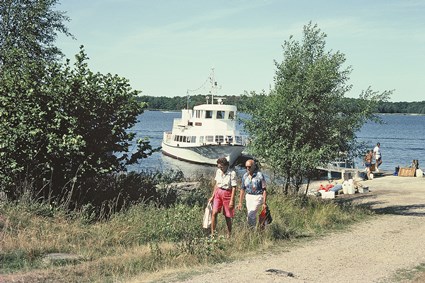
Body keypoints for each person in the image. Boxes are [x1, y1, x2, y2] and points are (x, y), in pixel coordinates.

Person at [208, 157, 237, 237]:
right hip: (218, 193)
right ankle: (213, 233)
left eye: (221, 167)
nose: (220, 168)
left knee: (227, 215)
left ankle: (229, 234)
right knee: (214, 212)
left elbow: (234, 187)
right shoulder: (218, 172)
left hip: (227, 193)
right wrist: (212, 196)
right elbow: (216, 184)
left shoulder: (232, 173)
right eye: (219, 167)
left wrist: (232, 200)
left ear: (226, 165)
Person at [237, 159, 267, 228]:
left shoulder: (259, 175)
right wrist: (240, 202)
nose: (247, 168)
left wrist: (264, 203)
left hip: (258, 196)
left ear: (254, 166)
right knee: (249, 214)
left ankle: (252, 229)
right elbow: (242, 189)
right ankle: (252, 229)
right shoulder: (245, 176)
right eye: (246, 166)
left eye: (249, 166)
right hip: (248, 196)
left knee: (251, 213)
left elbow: (264, 189)